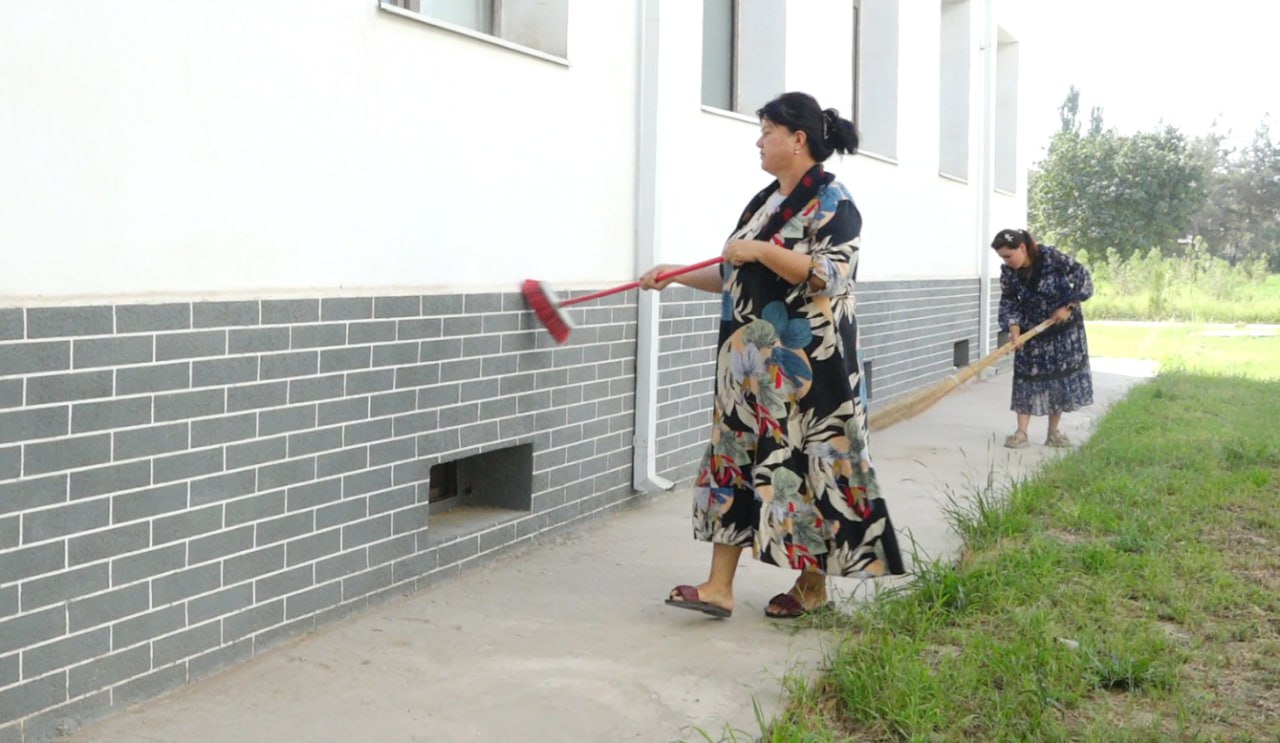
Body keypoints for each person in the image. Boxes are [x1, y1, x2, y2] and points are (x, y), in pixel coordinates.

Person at [639, 92, 905, 620]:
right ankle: (719, 587)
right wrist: (673, 276)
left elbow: (831, 273)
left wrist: (760, 250)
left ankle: (812, 587)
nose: (759, 141)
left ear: (797, 138)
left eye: (766, 130)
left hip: (811, 369)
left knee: (812, 466)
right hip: (749, 371)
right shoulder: (764, 202)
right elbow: (734, 274)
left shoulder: (835, 202)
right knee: (734, 461)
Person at [990, 228, 1095, 449]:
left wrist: (1068, 305)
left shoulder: (1052, 258)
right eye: (1002, 257)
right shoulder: (1009, 273)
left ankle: (1053, 432)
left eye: (1008, 256)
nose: (1006, 261)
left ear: (1022, 247)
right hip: (1032, 330)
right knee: (1025, 377)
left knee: (1057, 380)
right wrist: (1014, 328)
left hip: (1062, 328)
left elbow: (1083, 278)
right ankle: (1021, 433)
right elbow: (1009, 301)